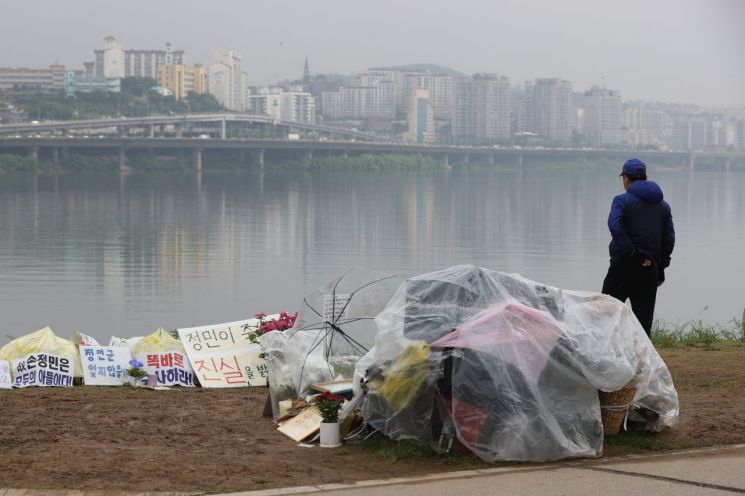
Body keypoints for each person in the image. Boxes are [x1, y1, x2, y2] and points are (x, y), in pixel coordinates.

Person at [602, 158, 675, 337]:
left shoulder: (621, 201)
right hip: (650, 269)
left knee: (606, 315)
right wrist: (661, 267)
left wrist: (633, 253)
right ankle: (644, 364)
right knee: (643, 324)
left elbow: (615, 227)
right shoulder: (663, 207)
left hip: (624, 266)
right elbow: (669, 240)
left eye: (623, 178)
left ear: (627, 179)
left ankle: (605, 360)